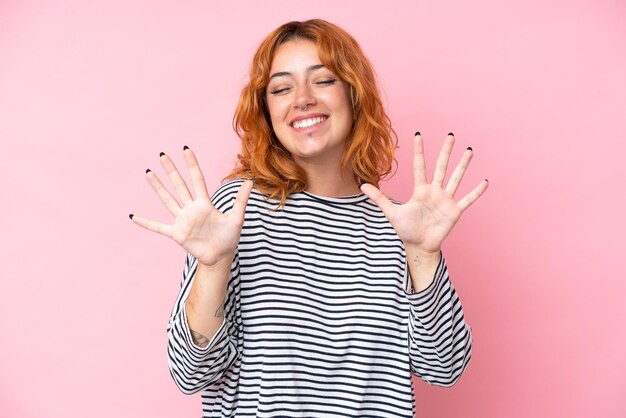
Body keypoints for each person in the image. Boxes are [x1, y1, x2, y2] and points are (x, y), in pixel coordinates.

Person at [130, 18, 488, 418]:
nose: (301, 99)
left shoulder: (401, 224)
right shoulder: (237, 209)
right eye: (281, 88)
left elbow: (444, 368)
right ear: (267, 113)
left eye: (322, 80)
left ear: (354, 95)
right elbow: (189, 373)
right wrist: (212, 268)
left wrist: (423, 254)